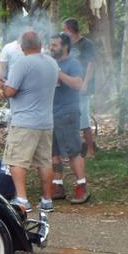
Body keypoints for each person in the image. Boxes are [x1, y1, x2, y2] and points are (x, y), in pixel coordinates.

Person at [2, 30, 59, 213]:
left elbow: (10, 91)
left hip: (24, 122)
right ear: (39, 44)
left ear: (22, 47)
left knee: (17, 161)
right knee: (44, 162)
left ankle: (22, 200)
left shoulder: (22, 63)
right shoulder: (52, 63)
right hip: (46, 121)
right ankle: (47, 200)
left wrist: (3, 85)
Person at [49, 33, 90, 204]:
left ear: (64, 47)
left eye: (54, 45)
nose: (51, 48)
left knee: (73, 151)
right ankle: (57, 186)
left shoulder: (72, 63)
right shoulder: (50, 63)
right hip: (50, 114)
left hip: (68, 112)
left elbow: (78, 84)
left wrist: (59, 74)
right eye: (50, 45)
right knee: (54, 153)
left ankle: (82, 187)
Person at [62, 18, 97, 157]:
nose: (63, 32)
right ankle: (75, 149)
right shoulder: (67, 44)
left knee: (83, 118)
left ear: (71, 30)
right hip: (70, 86)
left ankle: (91, 150)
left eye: (64, 30)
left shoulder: (86, 44)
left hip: (83, 86)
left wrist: (86, 83)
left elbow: (91, 64)